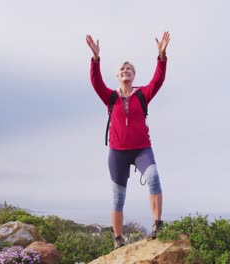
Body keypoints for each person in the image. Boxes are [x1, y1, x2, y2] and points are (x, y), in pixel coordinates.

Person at [86, 32, 170, 249]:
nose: (125, 71)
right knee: (117, 199)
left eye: (129, 69)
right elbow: (95, 82)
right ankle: (118, 239)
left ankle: (158, 224)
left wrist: (161, 56)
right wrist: (96, 59)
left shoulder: (143, 94)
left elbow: (158, 80)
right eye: (122, 69)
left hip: (142, 149)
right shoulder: (110, 97)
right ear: (118, 76)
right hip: (118, 152)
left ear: (133, 75)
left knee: (154, 179)